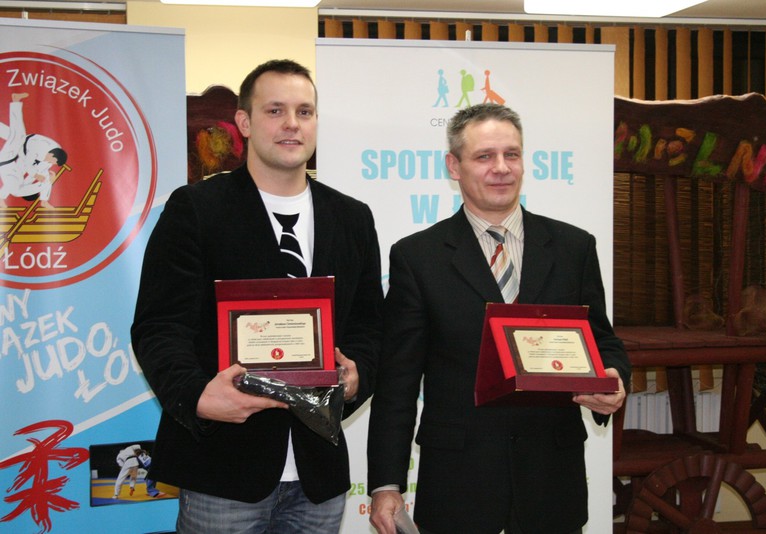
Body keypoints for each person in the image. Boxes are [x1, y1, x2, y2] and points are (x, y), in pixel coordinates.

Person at [131, 59, 383, 533]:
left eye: (304, 112)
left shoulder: (352, 217)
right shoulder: (196, 209)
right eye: (275, 110)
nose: (292, 124)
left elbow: (370, 325)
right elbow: (159, 326)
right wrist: (197, 396)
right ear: (244, 122)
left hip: (319, 473)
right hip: (222, 467)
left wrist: (358, 375)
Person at [367, 103, 631, 534]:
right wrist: (386, 483)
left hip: (551, 479)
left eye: (512, 154)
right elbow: (398, 381)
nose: (502, 168)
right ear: (454, 166)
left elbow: (604, 343)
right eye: (485, 156)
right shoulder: (418, 257)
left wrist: (615, 378)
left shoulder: (573, 248)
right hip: (458, 482)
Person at [0, 92, 68, 209]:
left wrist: (46, 182)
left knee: (14, 134)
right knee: (17, 135)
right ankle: (16, 101)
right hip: (24, 146)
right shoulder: (40, 147)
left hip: (13, 157)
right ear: (53, 156)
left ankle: (16, 101)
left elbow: (36, 174)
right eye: (52, 161)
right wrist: (42, 179)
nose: (50, 163)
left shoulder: (52, 156)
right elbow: (29, 166)